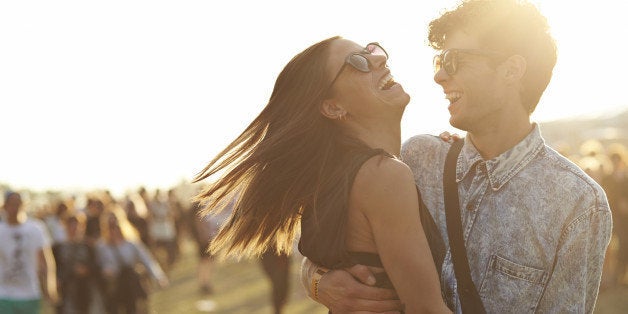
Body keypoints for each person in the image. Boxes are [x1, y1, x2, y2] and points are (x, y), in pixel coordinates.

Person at [303, 0, 613, 313]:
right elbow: (337, 246)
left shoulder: (579, 203)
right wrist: (317, 280)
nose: (439, 76)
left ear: (511, 69)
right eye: (439, 60)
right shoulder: (415, 158)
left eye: (453, 60)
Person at [193, 36, 450, 313]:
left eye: (371, 50)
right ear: (333, 107)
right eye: (358, 62)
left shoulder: (334, 179)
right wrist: (314, 279)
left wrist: (313, 277)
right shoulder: (383, 176)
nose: (379, 58)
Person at [96, 211, 169, 314]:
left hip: (133, 284)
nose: (114, 230)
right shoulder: (102, 247)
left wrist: (159, 277)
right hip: (115, 287)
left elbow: (147, 260)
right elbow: (101, 265)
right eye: (110, 227)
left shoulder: (131, 243)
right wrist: (106, 271)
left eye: (115, 226)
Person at [0, 191, 58, 314]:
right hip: (4, 295)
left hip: (30, 294)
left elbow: (46, 261)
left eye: (18, 204)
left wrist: (49, 286)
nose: (15, 208)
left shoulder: (36, 229)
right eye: (11, 204)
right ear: (5, 206)